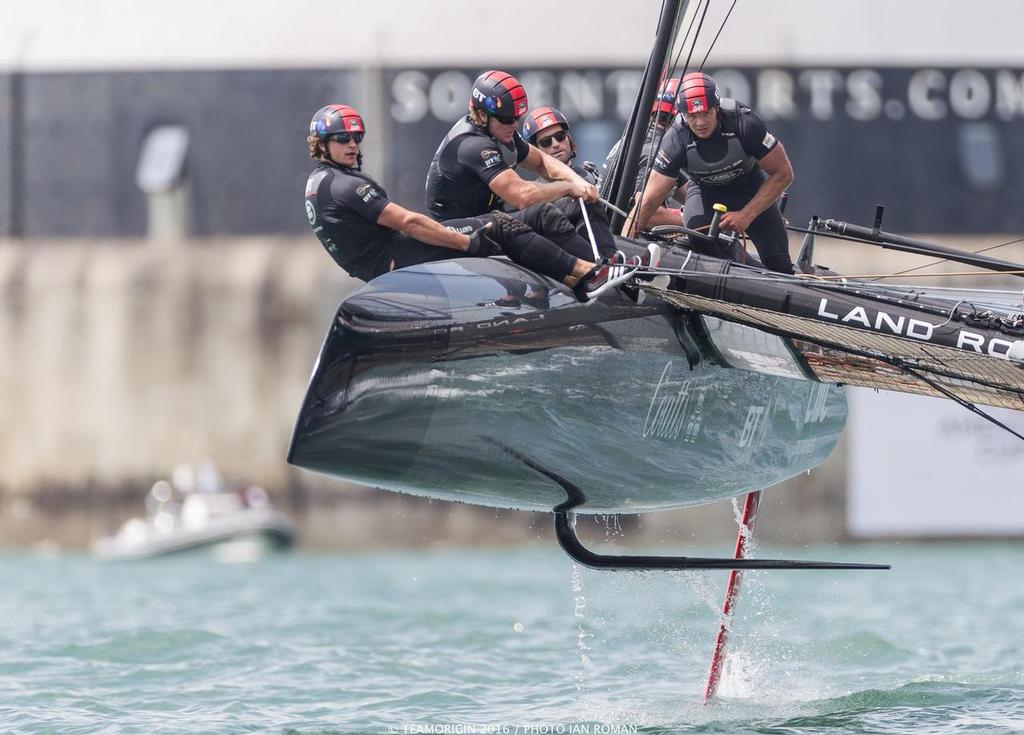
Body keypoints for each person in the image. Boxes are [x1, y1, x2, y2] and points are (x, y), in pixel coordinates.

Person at [304, 104, 633, 301]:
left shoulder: (323, 180)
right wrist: (462, 241)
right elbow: (408, 222)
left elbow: (537, 164)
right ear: (322, 143)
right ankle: (588, 276)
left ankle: (600, 267)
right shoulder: (345, 185)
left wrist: (574, 181)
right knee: (500, 225)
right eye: (342, 139)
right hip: (391, 259)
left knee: (522, 218)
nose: (352, 145)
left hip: (382, 259)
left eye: (356, 138)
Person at [628, 72, 796, 274]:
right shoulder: (675, 140)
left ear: (717, 107)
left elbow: (783, 173)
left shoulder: (745, 123)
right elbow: (647, 202)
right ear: (681, 114)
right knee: (700, 239)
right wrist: (624, 246)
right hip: (705, 194)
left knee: (778, 262)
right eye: (692, 116)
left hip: (750, 190)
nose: (700, 122)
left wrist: (746, 215)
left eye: (706, 113)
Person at [520, 106, 617, 259]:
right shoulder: (537, 191)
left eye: (560, 136)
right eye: (546, 142)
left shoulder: (589, 174)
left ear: (569, 139)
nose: (555, 144)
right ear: (535, 151)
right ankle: (610, 259)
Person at [599, 77, 688, 228]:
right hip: (618, 238)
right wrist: (689, 221)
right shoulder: (656, 151)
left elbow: (689, 192)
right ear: (681, 119)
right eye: (693, 117)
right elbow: (644, 211)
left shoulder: (642, 139)